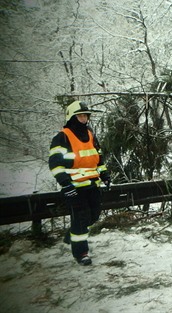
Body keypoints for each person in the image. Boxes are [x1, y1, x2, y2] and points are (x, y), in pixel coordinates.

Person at [49, 101, 110, 266]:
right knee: (81, 219)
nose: (83, 119)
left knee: (94, 215)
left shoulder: (90, 134)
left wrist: (104, 174)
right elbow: (55, 164)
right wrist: (65, 184)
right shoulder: (62, 137)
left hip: (92, 184)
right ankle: (81, 253)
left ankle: (72, 234)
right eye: (80, 116)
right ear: (72, 117)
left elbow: (98, 157)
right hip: (73, 187)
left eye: (85, 116)